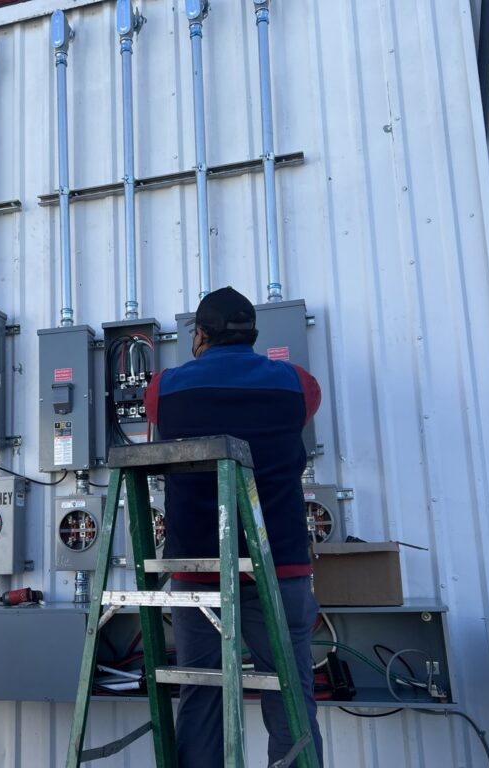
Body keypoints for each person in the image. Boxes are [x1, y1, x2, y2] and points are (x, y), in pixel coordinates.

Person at [144, 286, 324, 768]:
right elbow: (308, 403)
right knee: (291, 698)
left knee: (201, 696)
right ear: (253, 336)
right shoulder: (295, 384)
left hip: (198, 570)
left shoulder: (164, 388)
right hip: (279, 566)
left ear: (200, 335)